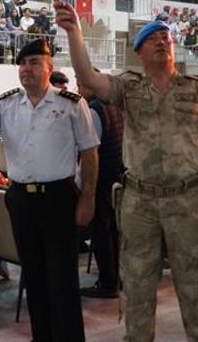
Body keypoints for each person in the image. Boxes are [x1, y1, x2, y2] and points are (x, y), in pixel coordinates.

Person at [55, 3, 198, 342]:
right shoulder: (128, 87)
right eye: (153, 37)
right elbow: (88, 78)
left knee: (197, 287)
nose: (162, 41)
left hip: (188, 199)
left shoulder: (197, 89)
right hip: (139, 202)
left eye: (166, 36)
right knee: (137, 288)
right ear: (138, 51)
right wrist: (74, 32)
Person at [0, 39, 100, 342]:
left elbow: (90, 152)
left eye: (34, 62)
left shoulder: (71, 103)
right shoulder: (7, 103)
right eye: (22, 63)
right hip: (20, 200)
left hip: (59, 198)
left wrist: (88, 197)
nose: (26, 69)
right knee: (34, 275)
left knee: (62, 278)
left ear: (49, 66)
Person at [78, 72, 124, 299]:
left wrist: (83, 186)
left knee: (101, 232)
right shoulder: (114, 107)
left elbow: (90, 152)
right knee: (113, 231)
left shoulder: (94, 110)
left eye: (80, 83)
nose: (77, 87)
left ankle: (108, 282)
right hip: (116, 177)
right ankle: (116, 277)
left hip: (101, 179)